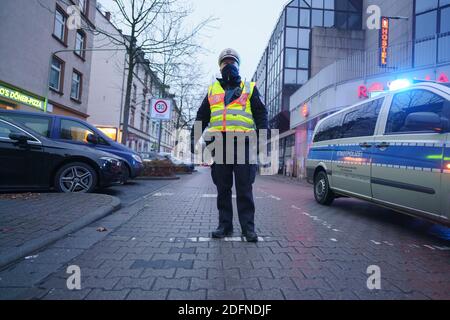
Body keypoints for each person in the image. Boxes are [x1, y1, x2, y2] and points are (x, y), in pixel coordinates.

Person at [191, 48, 268, 242]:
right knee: (222, 189)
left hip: (243, 145)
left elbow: (261, 115)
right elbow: (202, 116)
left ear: (238, 65)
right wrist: (193, 139)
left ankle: (248, 229)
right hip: (220, 146)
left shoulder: (249, 88)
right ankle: (224, 226)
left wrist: (262, 140)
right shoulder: (212, 90)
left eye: (232, 62)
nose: (228, 65)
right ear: (220, 66)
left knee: (244, 189)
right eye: (225, 62)